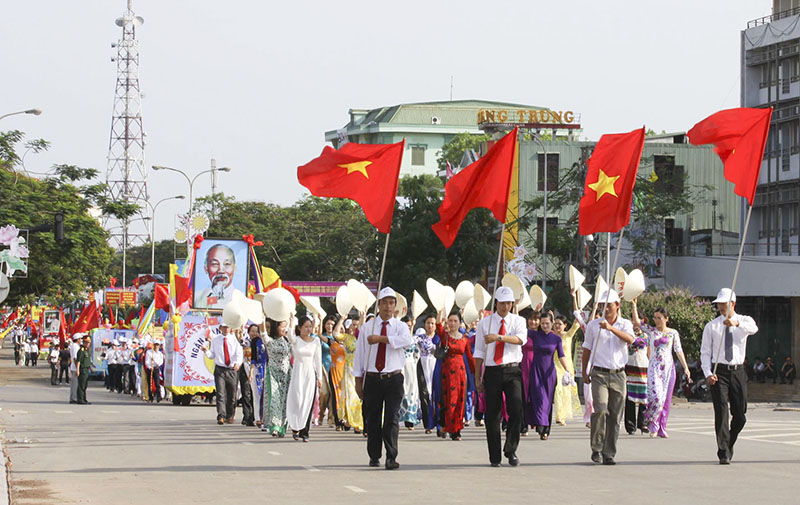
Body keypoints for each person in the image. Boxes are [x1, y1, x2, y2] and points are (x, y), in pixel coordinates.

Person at [353, 287, 413, 470]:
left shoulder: (400, 326)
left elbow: (406, 341)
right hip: (372, 377)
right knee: (372, 417)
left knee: (392, 418)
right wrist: (357, 380)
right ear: (379, 305)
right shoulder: (367, 327)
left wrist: (381, 339)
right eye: (385, 302)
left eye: (391, 303)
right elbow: (360, 355)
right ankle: (374, 454)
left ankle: (391, 456)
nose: (388, 306)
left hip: (393, 377)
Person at [700, 288, 758, 465]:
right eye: (719, 305)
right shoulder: (712, 326)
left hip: (738, 371)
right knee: (722, 411)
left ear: (732, 304)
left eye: (724, 304)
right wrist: (708, 374)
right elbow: (705, 352)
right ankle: (723, 451)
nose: (721, 308)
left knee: (740, 415)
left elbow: (754, 328)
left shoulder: (744, 321)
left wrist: (736, 324)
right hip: (720, 372)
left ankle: (729, 442)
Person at [474, 286, 527, 467]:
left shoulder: (518, 320)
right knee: (492, 415)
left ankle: (511, 449)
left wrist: (499, 338)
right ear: (496, 303)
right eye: (502, 303)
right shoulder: (485, 323)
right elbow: (479, 351)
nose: (505, 307)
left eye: (508, 303)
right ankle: (494, 455)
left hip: (512, 369)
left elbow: (521, 339)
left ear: (512, 304)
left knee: (516, 408)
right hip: (492, 370)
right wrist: (477, 378)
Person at [582, 290, 635, 466]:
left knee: (615, 415)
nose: (606, 309)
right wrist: (584, 371)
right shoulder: (593, 325)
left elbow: (630, 339)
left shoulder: (625, 324)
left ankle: (609, 452)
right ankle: (596, 447)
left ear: (617, 306)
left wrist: (611, 328)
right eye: (603, 306)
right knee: (601, 409)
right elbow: (587, 348)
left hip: (619, 374)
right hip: (599, 374)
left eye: (609, 306)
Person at [633, 303, 691, 438]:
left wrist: (686, 367)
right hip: (654, 369)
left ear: (666, 318)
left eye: (659, 318)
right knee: (657, 397)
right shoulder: (652, 331)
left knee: (666, 400)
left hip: (668, 370)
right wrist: (635, 305)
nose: (656, 320)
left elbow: (678, 350)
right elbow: (637, 322)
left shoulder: (673, 333)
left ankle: (662, 427)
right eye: (655, 317)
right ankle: (652, 422)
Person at [529, 312, 572, 440]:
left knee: (548, 400)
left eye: (547, 323)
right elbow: (520, 328)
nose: (545, 326)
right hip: (536, 370)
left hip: (549, 372)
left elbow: (561, 355)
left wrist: (567, 370)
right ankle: (540, 423)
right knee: (539, 397)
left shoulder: (556, 339)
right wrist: (515, 307)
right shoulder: (535, 335)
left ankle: (545, 429)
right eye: (542, 324)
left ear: (552, 323)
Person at [438, 311, 475, 441]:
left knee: (460, 400)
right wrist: (439, 314)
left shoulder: (465, 339)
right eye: (450, 320)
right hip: (447, 372)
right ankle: (447, 426)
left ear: (460, 323)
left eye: (455, 321)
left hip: (460, 372)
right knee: (449, 400)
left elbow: (470, 357)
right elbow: (438, 327)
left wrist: (476, 373)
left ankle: (456, 429)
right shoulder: (445, 336)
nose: (452, 323)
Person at [286, 316, 323, 441]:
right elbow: (289, 335)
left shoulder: (316, 341)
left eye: (310, 327)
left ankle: (304, 432)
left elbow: (318, 360)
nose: (308, 329)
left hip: (310, 374)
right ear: (300, 328)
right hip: (298, 372)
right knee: (298, 400)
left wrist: (320, 377)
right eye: (306, 327)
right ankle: (295, 426)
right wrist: (291, 322)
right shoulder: (296, 340)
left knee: (308, 402)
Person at [204, 324, 243, 423]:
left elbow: (239, 354)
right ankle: (221, 415)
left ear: (230, 328)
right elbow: (212, 355)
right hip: (220, 369)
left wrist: (238, 364)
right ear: (220, 328)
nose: (226, 329)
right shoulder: (216, 340)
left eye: (228, 327)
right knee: (220, 393)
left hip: (231, 370)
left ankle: (230, 415)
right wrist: (206, 351)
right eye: (224, 327)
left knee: (231, 395)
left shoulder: (234, 340)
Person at [263, 318, 292, 437]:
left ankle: (283, 427)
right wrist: (260, 317)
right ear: (276, 327)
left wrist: (291, 318)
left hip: (286, 374)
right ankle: (274, 426)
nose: (284, 329)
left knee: (285, 401)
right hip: (273, 374)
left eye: (285, 327)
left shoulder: (287, 340)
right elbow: (263, 332)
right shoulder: (269, 341)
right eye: (282, 326)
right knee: (274, 400)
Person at [552, 314, 582, 426]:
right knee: (558, 389)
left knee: (566, 392)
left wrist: (575, 299)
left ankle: (563, 415)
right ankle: (559, 416)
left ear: (565, 325)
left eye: (559, 324)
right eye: (555, 324)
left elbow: (577, 323)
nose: (557, 326)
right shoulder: (551, 336)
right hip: (555, 365)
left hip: (567, 367)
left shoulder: (568, 336)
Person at [625, 303, 649, 435]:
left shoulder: (646, 335)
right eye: (632, 319)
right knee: (629, 397)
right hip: (630, 367)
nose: (634, 322)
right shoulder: (627, 334)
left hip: (643, 366)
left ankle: (643, 422)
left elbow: (649, 352)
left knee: (644, 396)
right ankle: (630, 425)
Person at [194, 244, 244, 309]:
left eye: (227, 264)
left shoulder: (242, 298)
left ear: (235, 268)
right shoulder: (197, 297)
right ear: (206, 268)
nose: (221, 270)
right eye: (215, 264)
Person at [338, 314, 365, 434]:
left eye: (356, 325)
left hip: (359, 369)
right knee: (349, 396)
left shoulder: (362, 338)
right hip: (348, 370)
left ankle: (358, 423)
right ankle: (349, 420)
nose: (355, 327)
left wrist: (362, 318)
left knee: (358, 398)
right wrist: (342, 319)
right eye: (353, 325)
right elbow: (335, 334)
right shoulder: (346, 338)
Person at [398, 316, 421, 430]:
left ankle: (410, 419)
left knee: (412, 390)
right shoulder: (399, 339)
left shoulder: (414, 340)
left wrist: (414, 362)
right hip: (401, 366)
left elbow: (417, 353)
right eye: (406, 326)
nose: (408, 327)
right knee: (403, 390)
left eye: (410, 326)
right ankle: (400, 415)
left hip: (411, 366)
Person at [416, 315, 438, 434]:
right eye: (428, 323)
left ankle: (439, 422)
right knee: (424, 394)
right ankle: (428, 424)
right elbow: (409, 342)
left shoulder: (439, 338)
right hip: (423, 365)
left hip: (435, 365)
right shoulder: (420, 338)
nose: (430, 326)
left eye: (432, 323)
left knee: (436, 394)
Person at [520, 308, 539, 436]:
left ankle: (537, 422)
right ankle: (523, 424)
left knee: (536, 394)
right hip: (523, 365)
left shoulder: (542, 334)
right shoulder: (523, 333)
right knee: (522, 395)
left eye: (536, 319)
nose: (533, 322)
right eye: (531, 319)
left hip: (537, 366)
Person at [248, 323, 268, 427]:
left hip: (268, 369)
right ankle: (258, 418)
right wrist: (251, 372)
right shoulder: (255, 341)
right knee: (257, 395)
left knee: (266, 396)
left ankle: (266, 417)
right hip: (257, 369)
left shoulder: (270, 340)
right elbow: (254, 358)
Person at [239, 340, 256, 427]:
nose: (254, 333)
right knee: (246, 394)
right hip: (245, 370)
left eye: (256, 331)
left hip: (256, 371)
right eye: (252, 331)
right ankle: (247, 416)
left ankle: (254, 416)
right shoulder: (245, 343)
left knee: (255, 395)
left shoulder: (260, 342)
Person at [75, 336, 93, 405]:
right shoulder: (81, 351)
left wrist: (91, 368)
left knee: (85, 385)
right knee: (81, 385)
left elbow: (87, 361)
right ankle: (80, 399)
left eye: (89, 343)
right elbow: (78, 361)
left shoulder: (86, 350)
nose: (89, 344)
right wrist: (77, 370)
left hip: (86, 369)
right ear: (84, 343)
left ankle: (84, 399)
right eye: (87, 343)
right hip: (82, 370)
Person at [69, 335, 81, 403]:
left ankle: (73, 397)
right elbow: (75, 358)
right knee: (75, 384)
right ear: (77, 339)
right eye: (80, 339)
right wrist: (78, 368)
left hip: (74, 367)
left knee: (74, 384)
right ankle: (74, 398)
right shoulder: (75, 347)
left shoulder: (74, 346)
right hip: (75, 367)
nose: (81, 340)